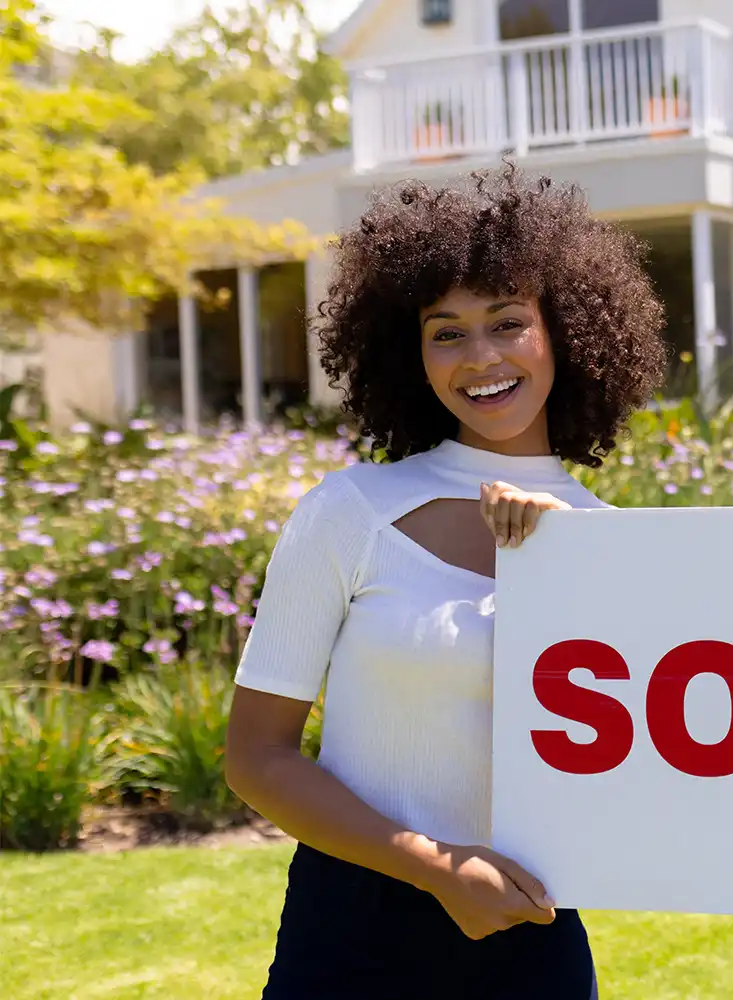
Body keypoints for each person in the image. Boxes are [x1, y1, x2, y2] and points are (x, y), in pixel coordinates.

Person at [224, 165, 666, 999]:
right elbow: (256, 757)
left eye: (508, 322)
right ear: (410, 350)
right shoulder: (351, 510)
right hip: (350, 935)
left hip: (531, 935)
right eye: (446, 331)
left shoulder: (609, 544)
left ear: (564, 332)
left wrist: (568, 570)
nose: (482, 357)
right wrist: (436, 870)